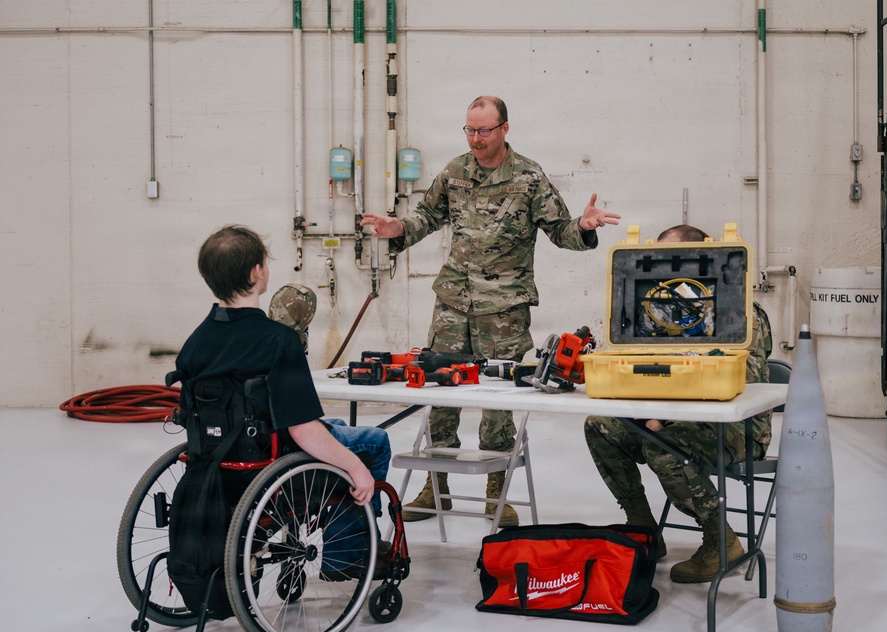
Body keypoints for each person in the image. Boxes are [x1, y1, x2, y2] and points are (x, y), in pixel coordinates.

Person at [361, 95, 621, 527]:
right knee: (438, 391)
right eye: (469, 130)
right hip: (453, 302)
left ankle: (496, 493)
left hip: (504, 306)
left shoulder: (528, 176)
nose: (476, 139)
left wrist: (582, 226)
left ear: (504, 129)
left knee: (496, 401)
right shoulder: (455, 172)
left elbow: (558, 230)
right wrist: (398, 229)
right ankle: (435, 488)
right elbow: (427, 215)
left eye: (484, 130)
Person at [174, 225, 392, 576]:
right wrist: (355, 468)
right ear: (256, 272)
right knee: (374, 443)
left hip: (218, 461)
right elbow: (304, 430)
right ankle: (347, 555)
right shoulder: (278, 341)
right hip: (275, 458)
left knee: (334, 427)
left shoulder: (194, 343)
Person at [583, 224, 773, 583]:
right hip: (669, 418)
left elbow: (740, 380)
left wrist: (666, 419)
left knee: (665, 451)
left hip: (736, 427)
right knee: (599, 425)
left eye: (676, 260)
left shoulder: (740, 309)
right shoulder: (659, 309)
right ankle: (643, 528)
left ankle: (722, 542)